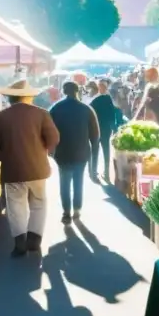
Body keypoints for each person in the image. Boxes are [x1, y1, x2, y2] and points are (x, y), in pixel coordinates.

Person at [0, 80, 59, 256]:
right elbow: (54, 138)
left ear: (11, 98)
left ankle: (20, 242)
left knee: (16, 206)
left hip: (13, 171)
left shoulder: (1, 116)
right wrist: (42, 150)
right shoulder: (42, 114)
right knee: (39, 204)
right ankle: (34, 240)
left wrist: (5, 156)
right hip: (38, 169)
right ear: (28, 97)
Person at [49, 82, 99, 224]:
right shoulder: (86, 109)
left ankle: (66, 212)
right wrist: (94, 154)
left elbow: (48, 130)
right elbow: (95, 135)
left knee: (64, 182)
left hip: (62, 152)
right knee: (79, 181)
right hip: (81, 152)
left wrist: (50, 150)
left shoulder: (55, 108)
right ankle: (77, 209)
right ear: (78, 91)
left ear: (64, 91)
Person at [89, 78, 116, 182]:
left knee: (99, 150)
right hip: (102, 128)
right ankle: (101, 173)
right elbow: (112, 114)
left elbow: (111, 114)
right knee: (102, 150)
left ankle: (97, 172)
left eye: (103, 86)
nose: (102, 88)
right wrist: (113, 127)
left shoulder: (95, 99)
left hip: (99, 128)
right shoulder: (106, 99)